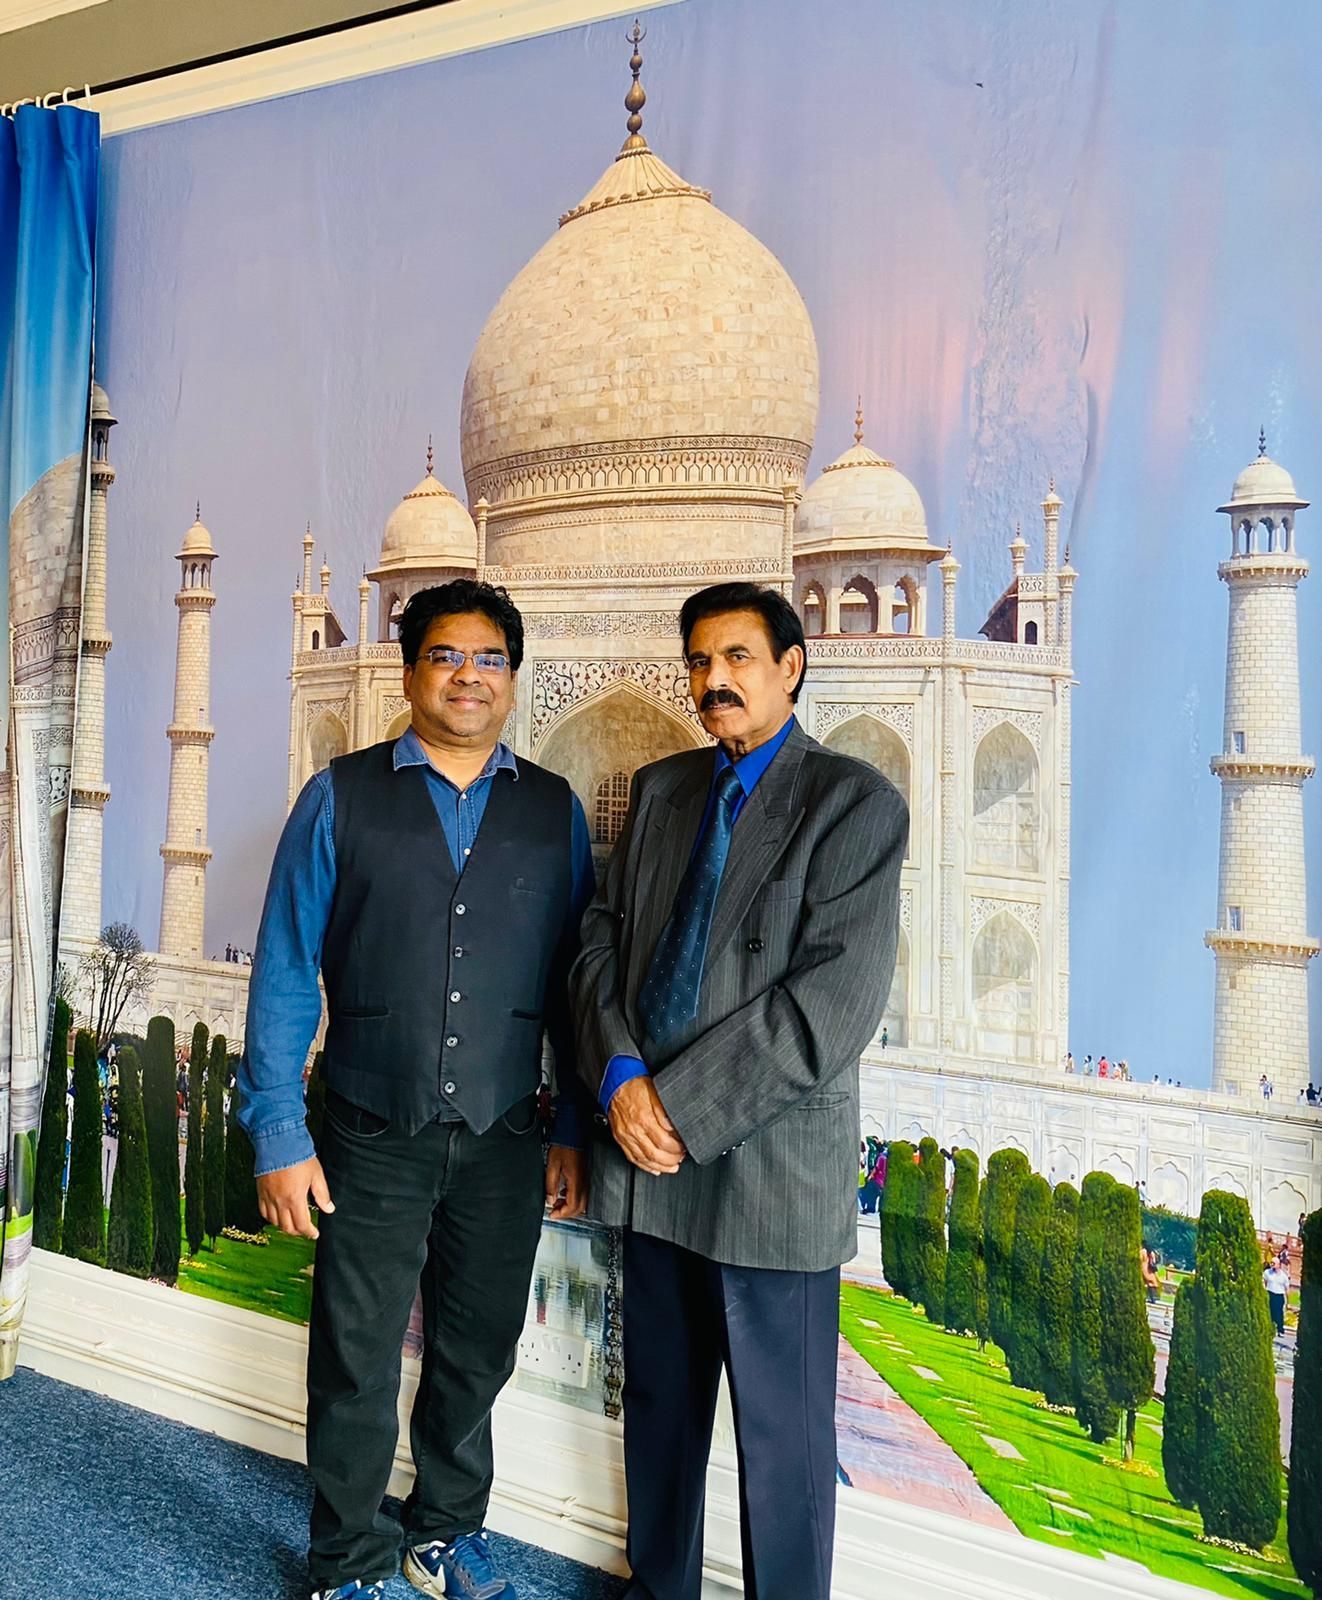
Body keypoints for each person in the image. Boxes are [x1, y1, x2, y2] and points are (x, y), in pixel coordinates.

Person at [239, 580, 594, 1600]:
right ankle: (343, 1559)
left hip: (501, 1136)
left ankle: (443, 1529)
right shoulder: (340, 796)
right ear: (409, 671)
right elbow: (283, 966)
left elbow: (576, 981)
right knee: (354, 1357)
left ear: (512, 679)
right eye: (446, 654)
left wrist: (570, 1124)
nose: (467, 676)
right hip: (365, 1129)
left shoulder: (551, 809)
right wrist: (275, 1131)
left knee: (476, 1350)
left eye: (489, 658)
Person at [572, 582, 907, 1600]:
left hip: (767, 1170)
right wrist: (620, 1074)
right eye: (699, 662)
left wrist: (672, 1107)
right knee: (661, 1421)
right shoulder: (664, 788)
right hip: (648, 1164)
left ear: (788, 667)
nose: (712, 680)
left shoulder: (852, 801)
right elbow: (600, 941)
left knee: (783, 1449)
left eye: (737, 658)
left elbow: (826, 1006)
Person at [1264, 1258, 1290, 1336]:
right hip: (1270, 1293)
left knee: (1279, 1313)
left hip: (1279, 1296)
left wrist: (1288, 1302)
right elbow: (1264, 1282)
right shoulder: (1267, 1272)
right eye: (1271, 1263)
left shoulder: (1283, 1276)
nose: (1272, 1265)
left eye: (1274, 1263)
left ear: (1279, 1265)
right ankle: (1269, 1328)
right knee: (1269, 1312)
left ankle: (1280, 1330)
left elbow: (1287, 1289)